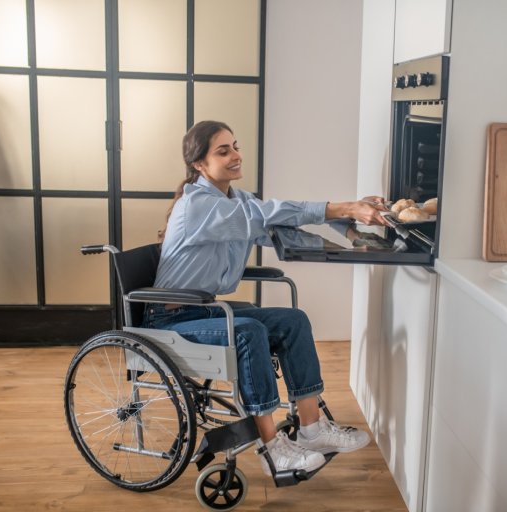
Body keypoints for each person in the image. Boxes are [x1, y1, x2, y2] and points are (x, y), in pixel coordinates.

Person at [143, 120, 387, 476]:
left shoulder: (234, 199)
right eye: (222, 151)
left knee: (293, 320)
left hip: (204, 310)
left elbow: (279, 224)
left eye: (235, 146)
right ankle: (272, 448)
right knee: (248, 331)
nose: (236, 156)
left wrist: (350, 231)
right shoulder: (198, 206)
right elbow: (266, 213)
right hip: (171, 319)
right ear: (199, 164)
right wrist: (344, 207)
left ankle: (312, 429)